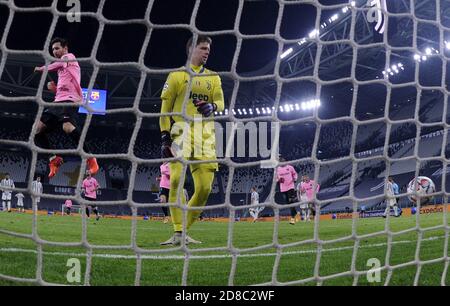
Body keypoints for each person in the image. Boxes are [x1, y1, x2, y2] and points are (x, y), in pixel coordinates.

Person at [159, 35, 224, 246]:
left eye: (208, 49)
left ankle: (184, 230)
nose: (207, 52)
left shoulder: (213, 77)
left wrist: (212, 107)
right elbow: (165, 109)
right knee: (176, 180)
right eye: (203, 48)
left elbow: (220, 102)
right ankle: (178, 232)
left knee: (204, 189)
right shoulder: (177, 75)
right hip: (181, 132)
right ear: (191, 49)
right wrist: (165, 136)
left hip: (206, 138)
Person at [34, 37, 98, 178]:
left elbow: (56, 65)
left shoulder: (69, 57)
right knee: (37, 130)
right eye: (53, 50)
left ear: (65, 48)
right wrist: (55, 89)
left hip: (71, 101)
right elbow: (64, 89)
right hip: (59, 102)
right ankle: (53, 159)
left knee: (67, 127)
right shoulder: (63, 68)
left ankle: (91, 159)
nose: (55, 51)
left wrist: (42, 69)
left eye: (57, 48)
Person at [276, 157, 298, 225]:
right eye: (280, 160)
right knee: (288, 202)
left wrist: (295, 179)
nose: (281, 161)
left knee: (291, 200)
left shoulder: (290, 167)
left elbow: (295, 174)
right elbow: (276, 178)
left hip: (290, 186)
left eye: (282, 160)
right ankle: (295, 213)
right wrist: (279, 180)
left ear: (285, 161)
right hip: (283, 188)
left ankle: (292, 219)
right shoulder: (277, 169)